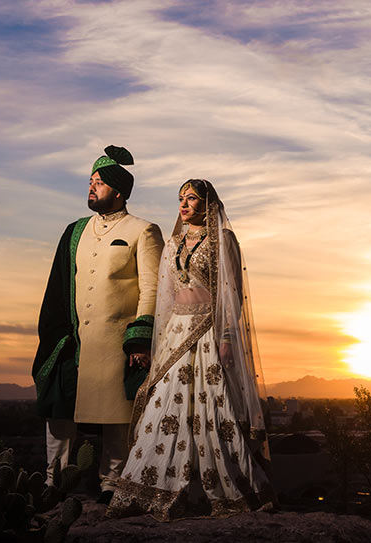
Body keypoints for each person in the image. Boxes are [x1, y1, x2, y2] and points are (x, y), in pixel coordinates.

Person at [107, 179, 274, 520]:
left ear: (207, 204)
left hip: (209, 331)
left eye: (192, 198)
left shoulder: (222, 240)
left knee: (213, 407)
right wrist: (162, 340)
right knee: (162, 407)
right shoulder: (173, 244)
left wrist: (227, 338)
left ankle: (224, 488)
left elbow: (231, 294)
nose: (183, 204)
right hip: (176, 333)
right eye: (181, 198)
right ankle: (156, 488)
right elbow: (166, 298)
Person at [32, 145, 163, 504]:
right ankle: (53, 481)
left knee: (116, 417)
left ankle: (112, 484)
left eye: (99, 183)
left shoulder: (144, 231)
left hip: (116, 341)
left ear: (119, 192)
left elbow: (152, 287)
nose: (91, 187)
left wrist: (140, 338)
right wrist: (56, 334)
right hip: (72, 340)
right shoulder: (74, 231)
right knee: (59, 410)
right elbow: (59, 284)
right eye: (90, 181)